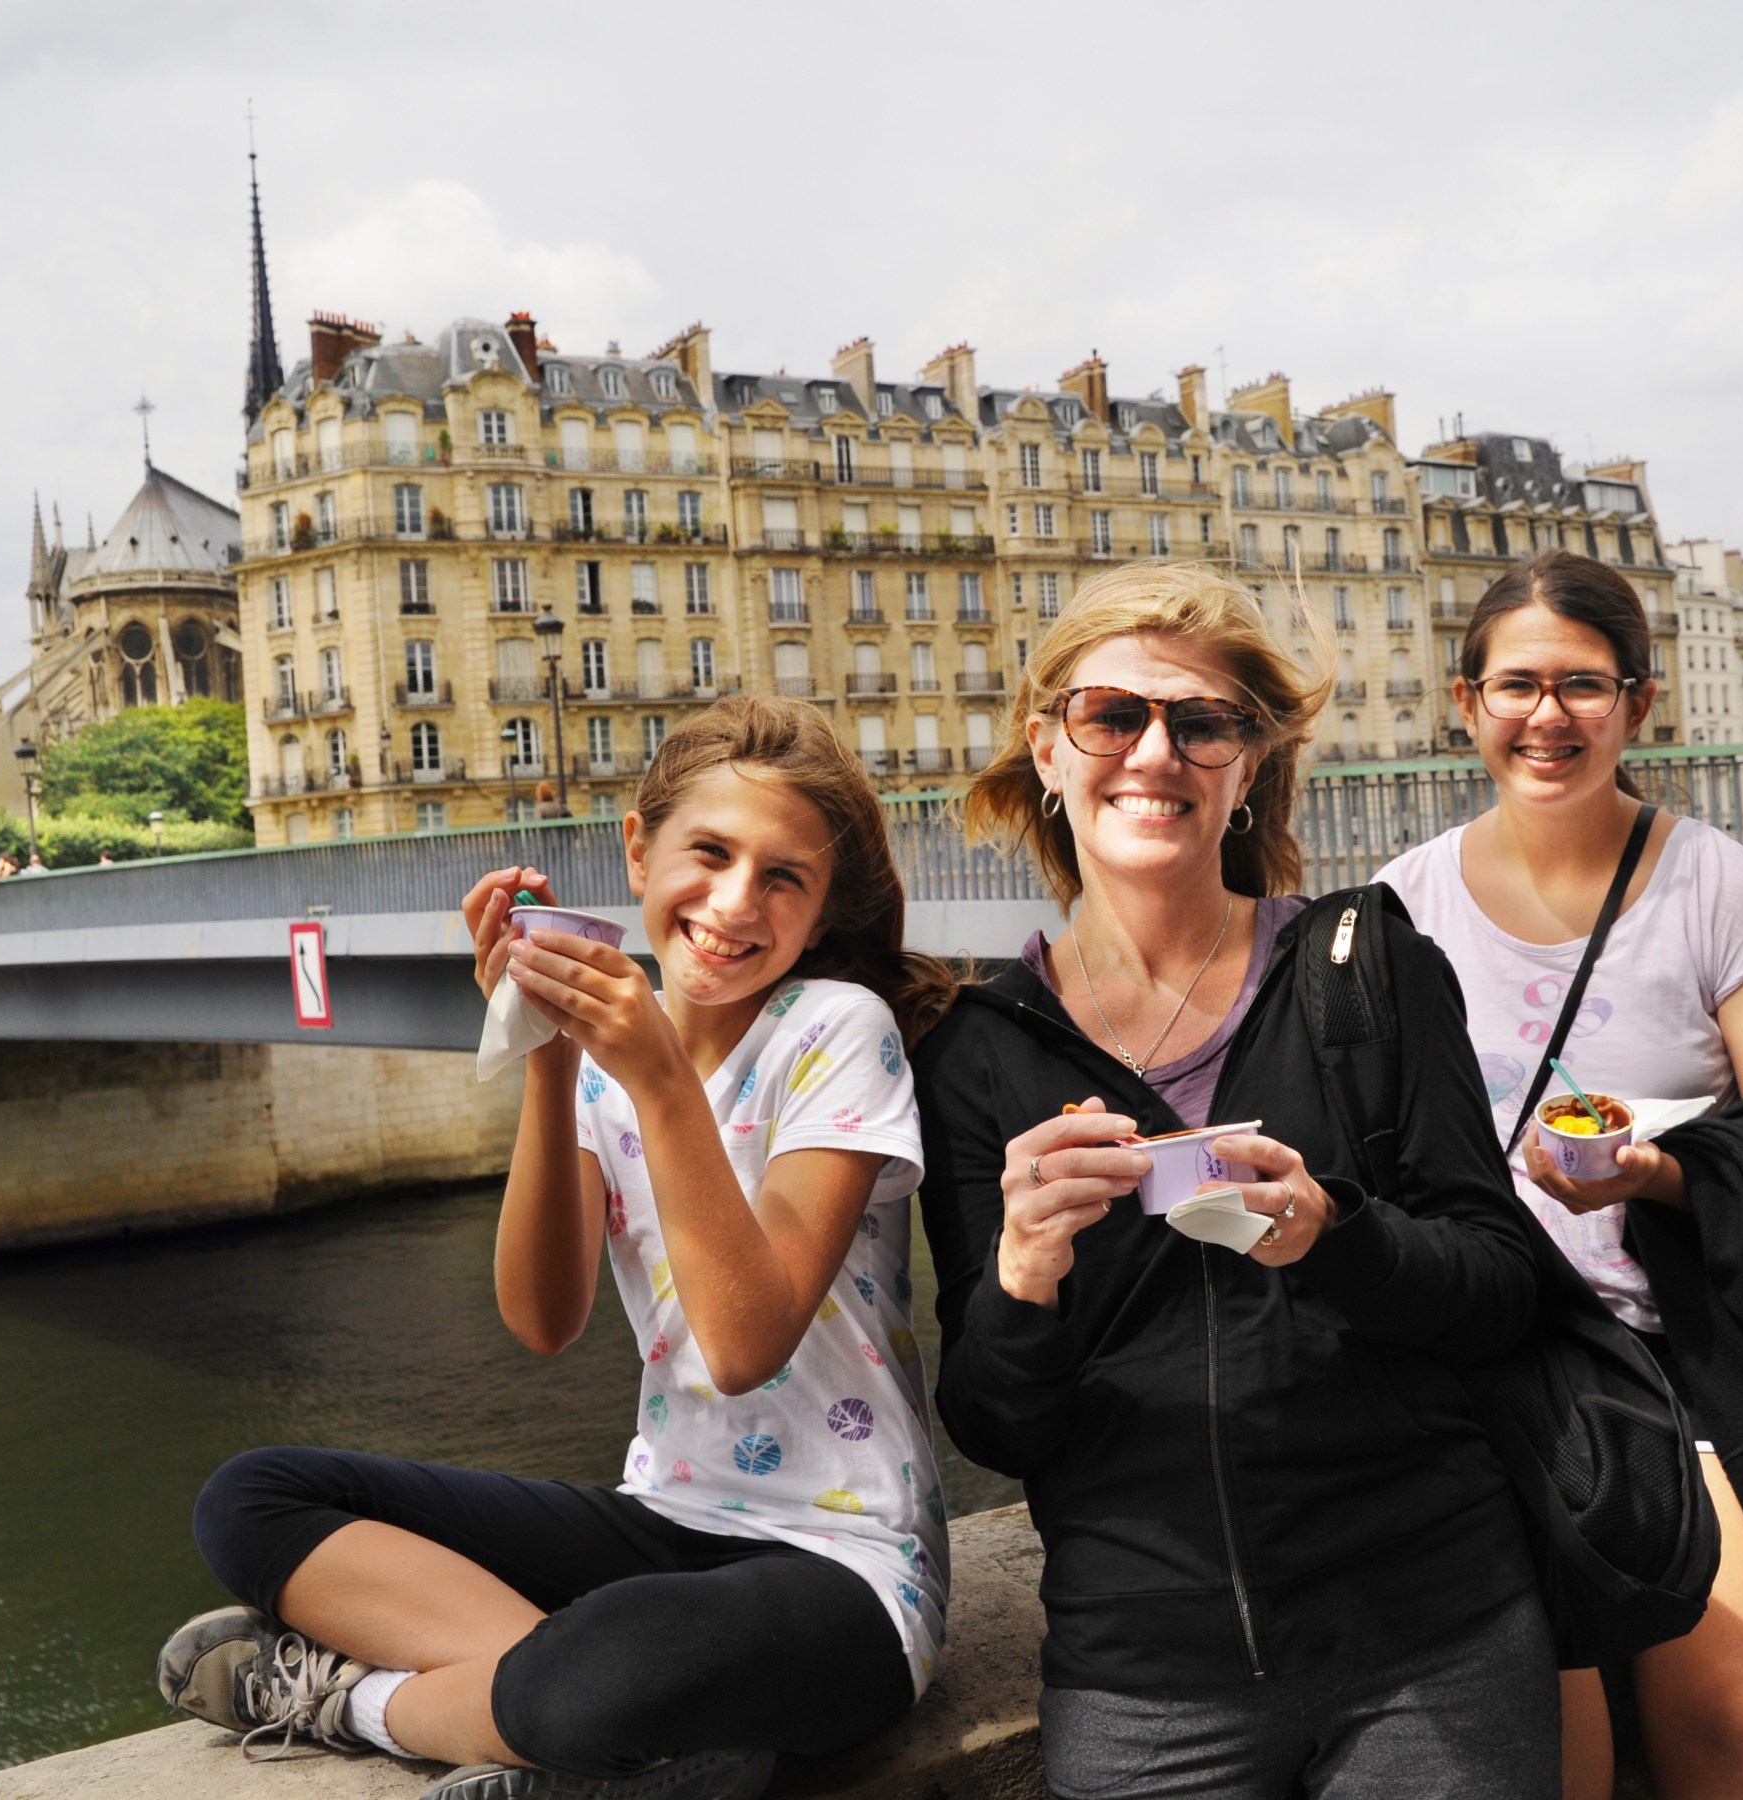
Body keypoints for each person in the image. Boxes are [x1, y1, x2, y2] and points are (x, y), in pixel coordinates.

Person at [158, 697, 955, 1800]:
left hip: (847, 1569)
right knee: (251, 1496)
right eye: (709, 854)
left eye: (784, 878)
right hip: (665, 1513)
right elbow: (543, 1319)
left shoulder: (834, 1029)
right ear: (640, 850)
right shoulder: (602, 1055)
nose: (734, 903)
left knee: (629, 1651)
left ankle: (359, 1702)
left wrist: (660, 1079)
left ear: (820, 918)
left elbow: (742, 1345)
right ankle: (590, 1718)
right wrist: (543, 1053)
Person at [917, 562, 1560, 1800]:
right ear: (1048, 750)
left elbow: (1500, 1288)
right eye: (1113, 716)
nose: (1154, 752)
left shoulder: (1363, 965)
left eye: (1202, 723)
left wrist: (1333, 1232)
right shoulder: (977, 1052)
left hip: (1431, 1639)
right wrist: (1022, 1277)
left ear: (1248, 765)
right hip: (1144, 1674)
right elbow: (998, 1422)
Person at [1376, 550, 1743, 1800]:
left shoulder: (1718, 887)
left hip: (1679, 1367)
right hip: (1484, 1368)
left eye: (1583, 684)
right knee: (1539, 1729)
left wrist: (1657, 1177)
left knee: (1742, 1712)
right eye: (1516, 685)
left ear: (1640, 701)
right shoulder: (1398, 910)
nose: (1548, 716)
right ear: (1466, 704)